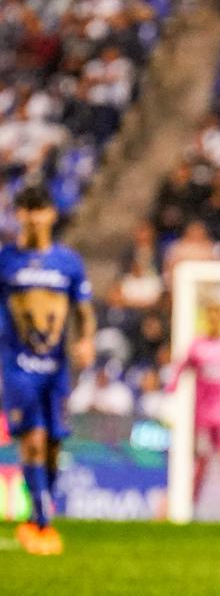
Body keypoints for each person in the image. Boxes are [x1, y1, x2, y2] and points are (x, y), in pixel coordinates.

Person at [0, 184, 95, 555]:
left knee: (54, 443)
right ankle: (42, 522)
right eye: (27, 210)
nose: (34, 217)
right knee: (34, 440)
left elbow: (84, 308)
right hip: (17, 365)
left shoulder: (68, 262)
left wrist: (86, 339)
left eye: (40, 209)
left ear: (52, 214)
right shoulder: (6, 260)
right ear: (18, 215)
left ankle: (38, 513)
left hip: (56, 368)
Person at [169, 300, 220, 513]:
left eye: (217, 318)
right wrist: (170, 395)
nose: (214, 323)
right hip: (203, 416)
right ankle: (192, 505)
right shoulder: (198, 346)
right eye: (210, 318)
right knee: (202, 462)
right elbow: (179, 370)